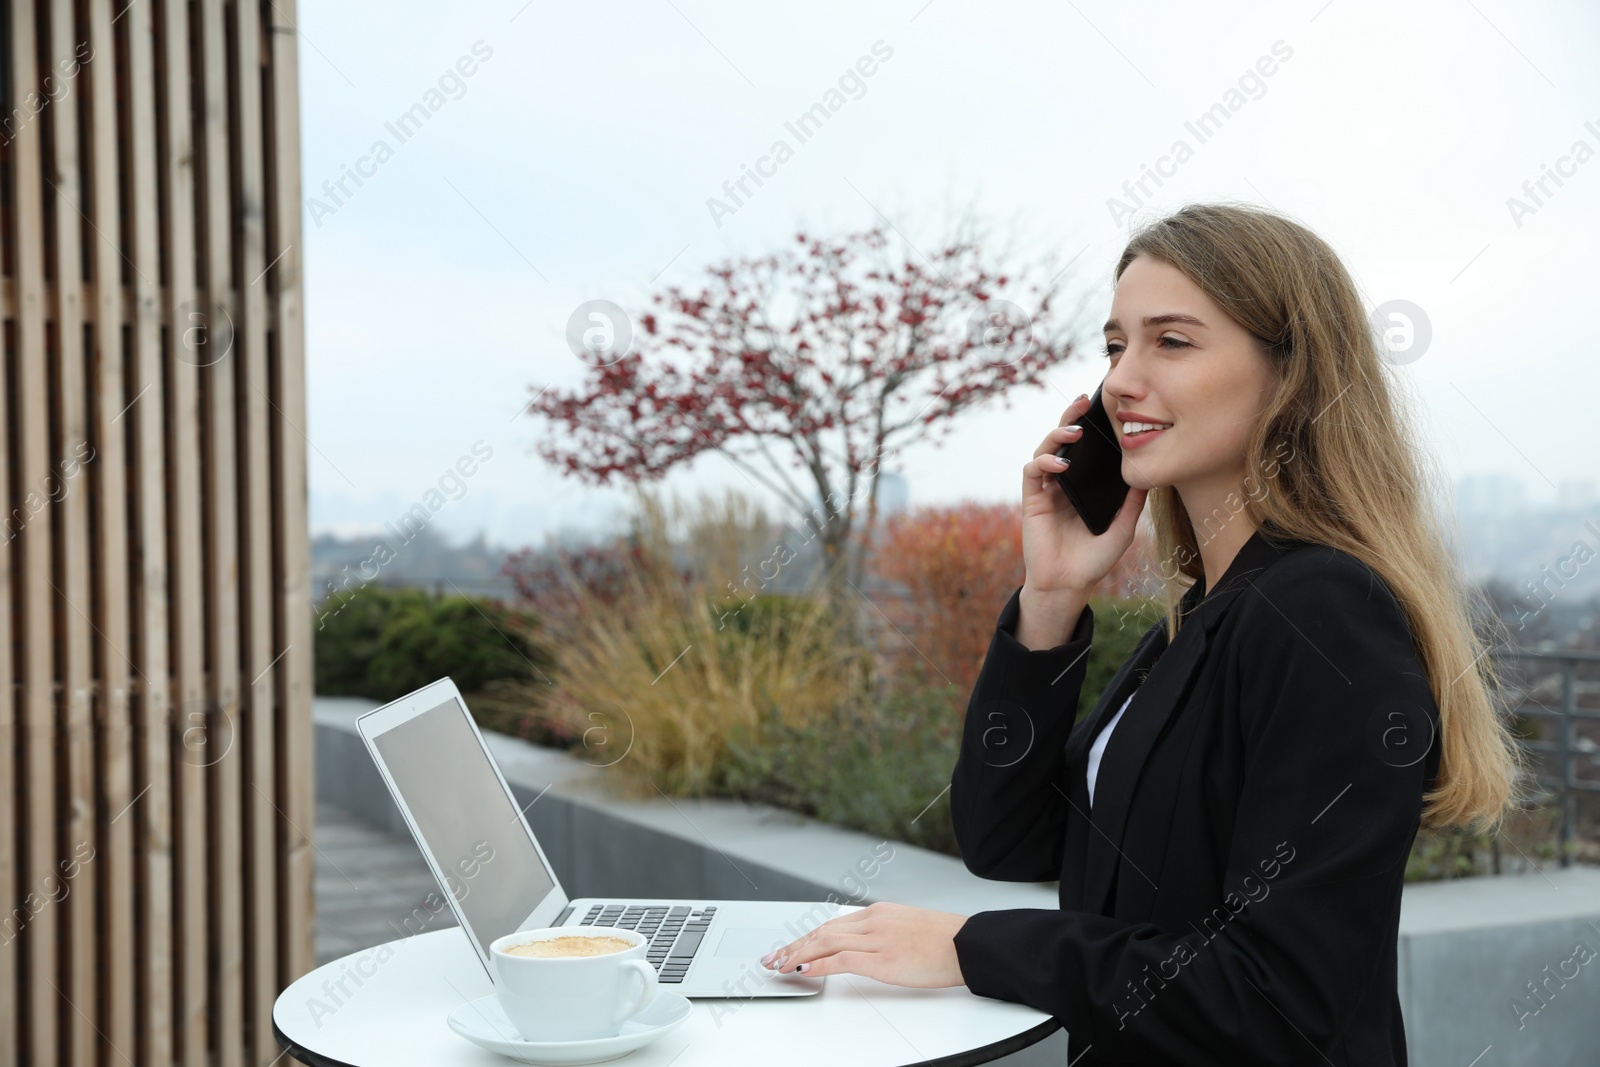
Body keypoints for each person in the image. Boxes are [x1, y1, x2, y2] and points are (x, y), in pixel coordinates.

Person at [756, 202, 1525, 1066]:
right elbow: (1005, 837)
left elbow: (1280, 1001)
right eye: (1116, 344)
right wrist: (1050, 597)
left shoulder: (1323, 614)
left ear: (1290, 376)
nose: (1120, 380)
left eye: (1173, 341)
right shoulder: (1206, 613)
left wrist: (974, 949)